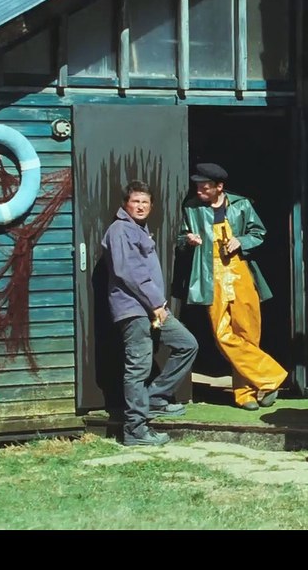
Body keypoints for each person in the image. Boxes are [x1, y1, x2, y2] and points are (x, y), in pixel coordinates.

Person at [176, 162, 286, 411]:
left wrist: (241, 241)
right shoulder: (192, 208)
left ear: (219, 187)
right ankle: (270, 376)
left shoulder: (241, 205)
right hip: (209, 275)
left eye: (204, 187)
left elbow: (259, 233)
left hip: (241, 274)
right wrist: (189, 240)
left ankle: (245, 392)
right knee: (223, 334)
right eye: (198, 187)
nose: (199, 191)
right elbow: (180, 238)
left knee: (248, 334)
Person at [103, 180, 199, 446]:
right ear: (125, 204)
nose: (141, 206)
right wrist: (157, 303)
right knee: (138, 368)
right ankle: (135, 430)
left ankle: (155, 398)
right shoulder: (120, 230)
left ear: (151, 206)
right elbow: (129, 272)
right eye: (135, 201)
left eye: (145, 202)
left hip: (152, 308)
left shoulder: (139, 230)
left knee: (187, 344)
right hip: (135, 310)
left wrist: (157, 306)